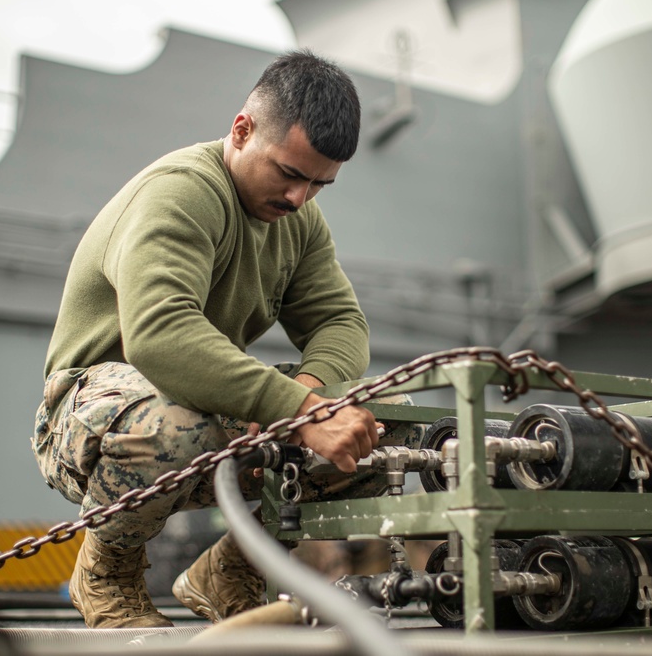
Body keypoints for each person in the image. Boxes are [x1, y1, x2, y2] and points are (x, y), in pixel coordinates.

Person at [31, 50, 421, 628]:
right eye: (289, 173)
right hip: (91, 420)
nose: (299, 198)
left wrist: (310, 399)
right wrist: (296, 408)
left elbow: (340, 323)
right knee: (174, 420)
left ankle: (230, 570)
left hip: (205, 413)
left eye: (319, 184)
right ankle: (106, 574)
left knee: (386, 421)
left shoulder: (299, 222)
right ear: (241, 130)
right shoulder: (181, 192)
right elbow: (160, 334)